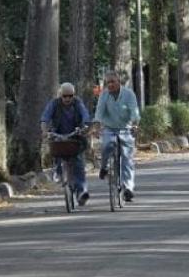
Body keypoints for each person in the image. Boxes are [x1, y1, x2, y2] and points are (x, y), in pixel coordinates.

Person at [40, 82, 91, 206]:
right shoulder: (54, 104)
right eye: (65, 96)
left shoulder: (78, 103)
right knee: (56, 153)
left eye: (70, 96)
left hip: (75, 135)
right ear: (60, 95)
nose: (67, 98)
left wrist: (84, 126)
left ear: (74, 95)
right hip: (58, 135)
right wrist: (45, 131)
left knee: (78, 162)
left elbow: (85, 116)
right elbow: (45, 118)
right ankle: (57, 173)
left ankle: (81, 191)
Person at [94, 70, 141, 202]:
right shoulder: (104, 95)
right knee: (106, 146)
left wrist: (135, 124)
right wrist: (97, 127)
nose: (110, 85)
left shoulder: (129, 94)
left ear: (119, 82)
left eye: (113, 82)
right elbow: (99, 112)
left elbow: (134, 111)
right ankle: (103, 167)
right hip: (109, 127)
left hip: (125, 128)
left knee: (127, 157)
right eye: (108, 82)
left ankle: (128, 189)